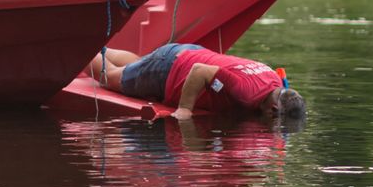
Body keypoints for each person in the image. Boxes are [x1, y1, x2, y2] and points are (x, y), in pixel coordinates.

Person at [90, 42, 306, 121]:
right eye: (275, 118)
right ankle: (81, 51)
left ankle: (99, 46)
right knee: (108, 77)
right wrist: (185, 109)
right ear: (275, 107)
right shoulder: (246, 93)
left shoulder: (273, 78)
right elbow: (200, 71)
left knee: (136, 64)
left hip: (186, 52)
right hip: (171, 68)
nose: (270, 119)